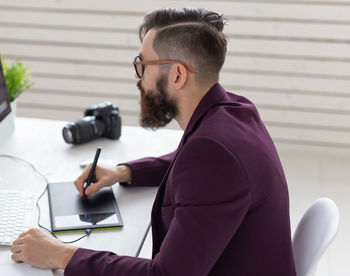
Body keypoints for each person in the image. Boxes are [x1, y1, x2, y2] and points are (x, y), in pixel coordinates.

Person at [10, 8, 296, 275]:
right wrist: (124, 172)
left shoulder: (213, 154)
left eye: (143, 65)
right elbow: (188, 160)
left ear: (178, 75)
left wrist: (62, 255)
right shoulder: (234, 110)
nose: (139, 78)